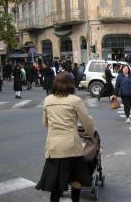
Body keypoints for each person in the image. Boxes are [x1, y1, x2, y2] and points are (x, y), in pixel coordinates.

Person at [35, 72, 95, 202]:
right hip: (72, 146)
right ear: (71, 84)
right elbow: (88, 122)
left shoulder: (48, 100)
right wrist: (89, 134)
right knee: (76, 180)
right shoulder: (75, 100)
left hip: (54, 147)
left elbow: (45, 123)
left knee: (55, 184)